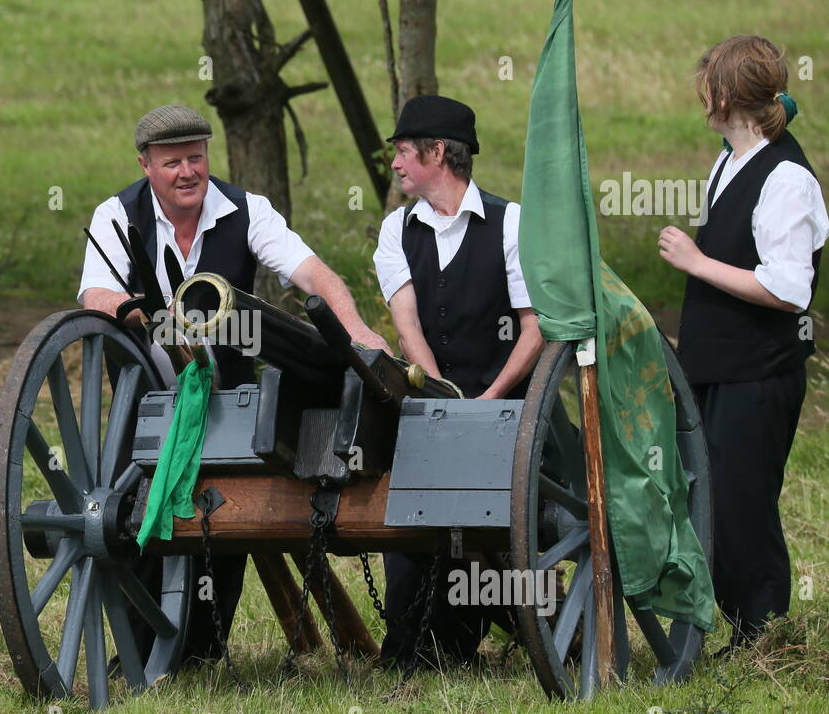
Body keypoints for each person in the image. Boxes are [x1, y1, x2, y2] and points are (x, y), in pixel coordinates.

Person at [80, 104, 390, 661]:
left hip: (229, 406)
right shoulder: (116, 215)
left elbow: (311, 273)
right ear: (145, 165)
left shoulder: (247, 210)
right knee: (138, 526)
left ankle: (201, 649)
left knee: (222, 519)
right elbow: (94, 297)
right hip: (150, 402)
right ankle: (139, 648)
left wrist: (359, 330)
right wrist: (147, 316)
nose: (187, 173)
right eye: (172, 162)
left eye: (196, 158)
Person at [658, 35, 829, 653]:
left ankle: (764, 634)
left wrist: (697, 263)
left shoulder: (787, 178)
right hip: (719, 366)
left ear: (726, 96)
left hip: (759, 373)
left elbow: (789, 291)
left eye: (708, 84)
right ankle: (739, 623)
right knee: (712, 499)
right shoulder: (728, 159)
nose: (700, 94)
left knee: (742, 503)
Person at [373, 95, 543, 671]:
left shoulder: (511, 222)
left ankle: (459, 641)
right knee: (413, 537)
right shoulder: (396, 228)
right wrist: (443, 397)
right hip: (432, 408)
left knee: (479, 532)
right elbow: (406, 324)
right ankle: (410, 652)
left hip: (510, 410)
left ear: (437, 152)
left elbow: (533, 328)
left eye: (402, 151)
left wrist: (489, 402)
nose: (395, 163)